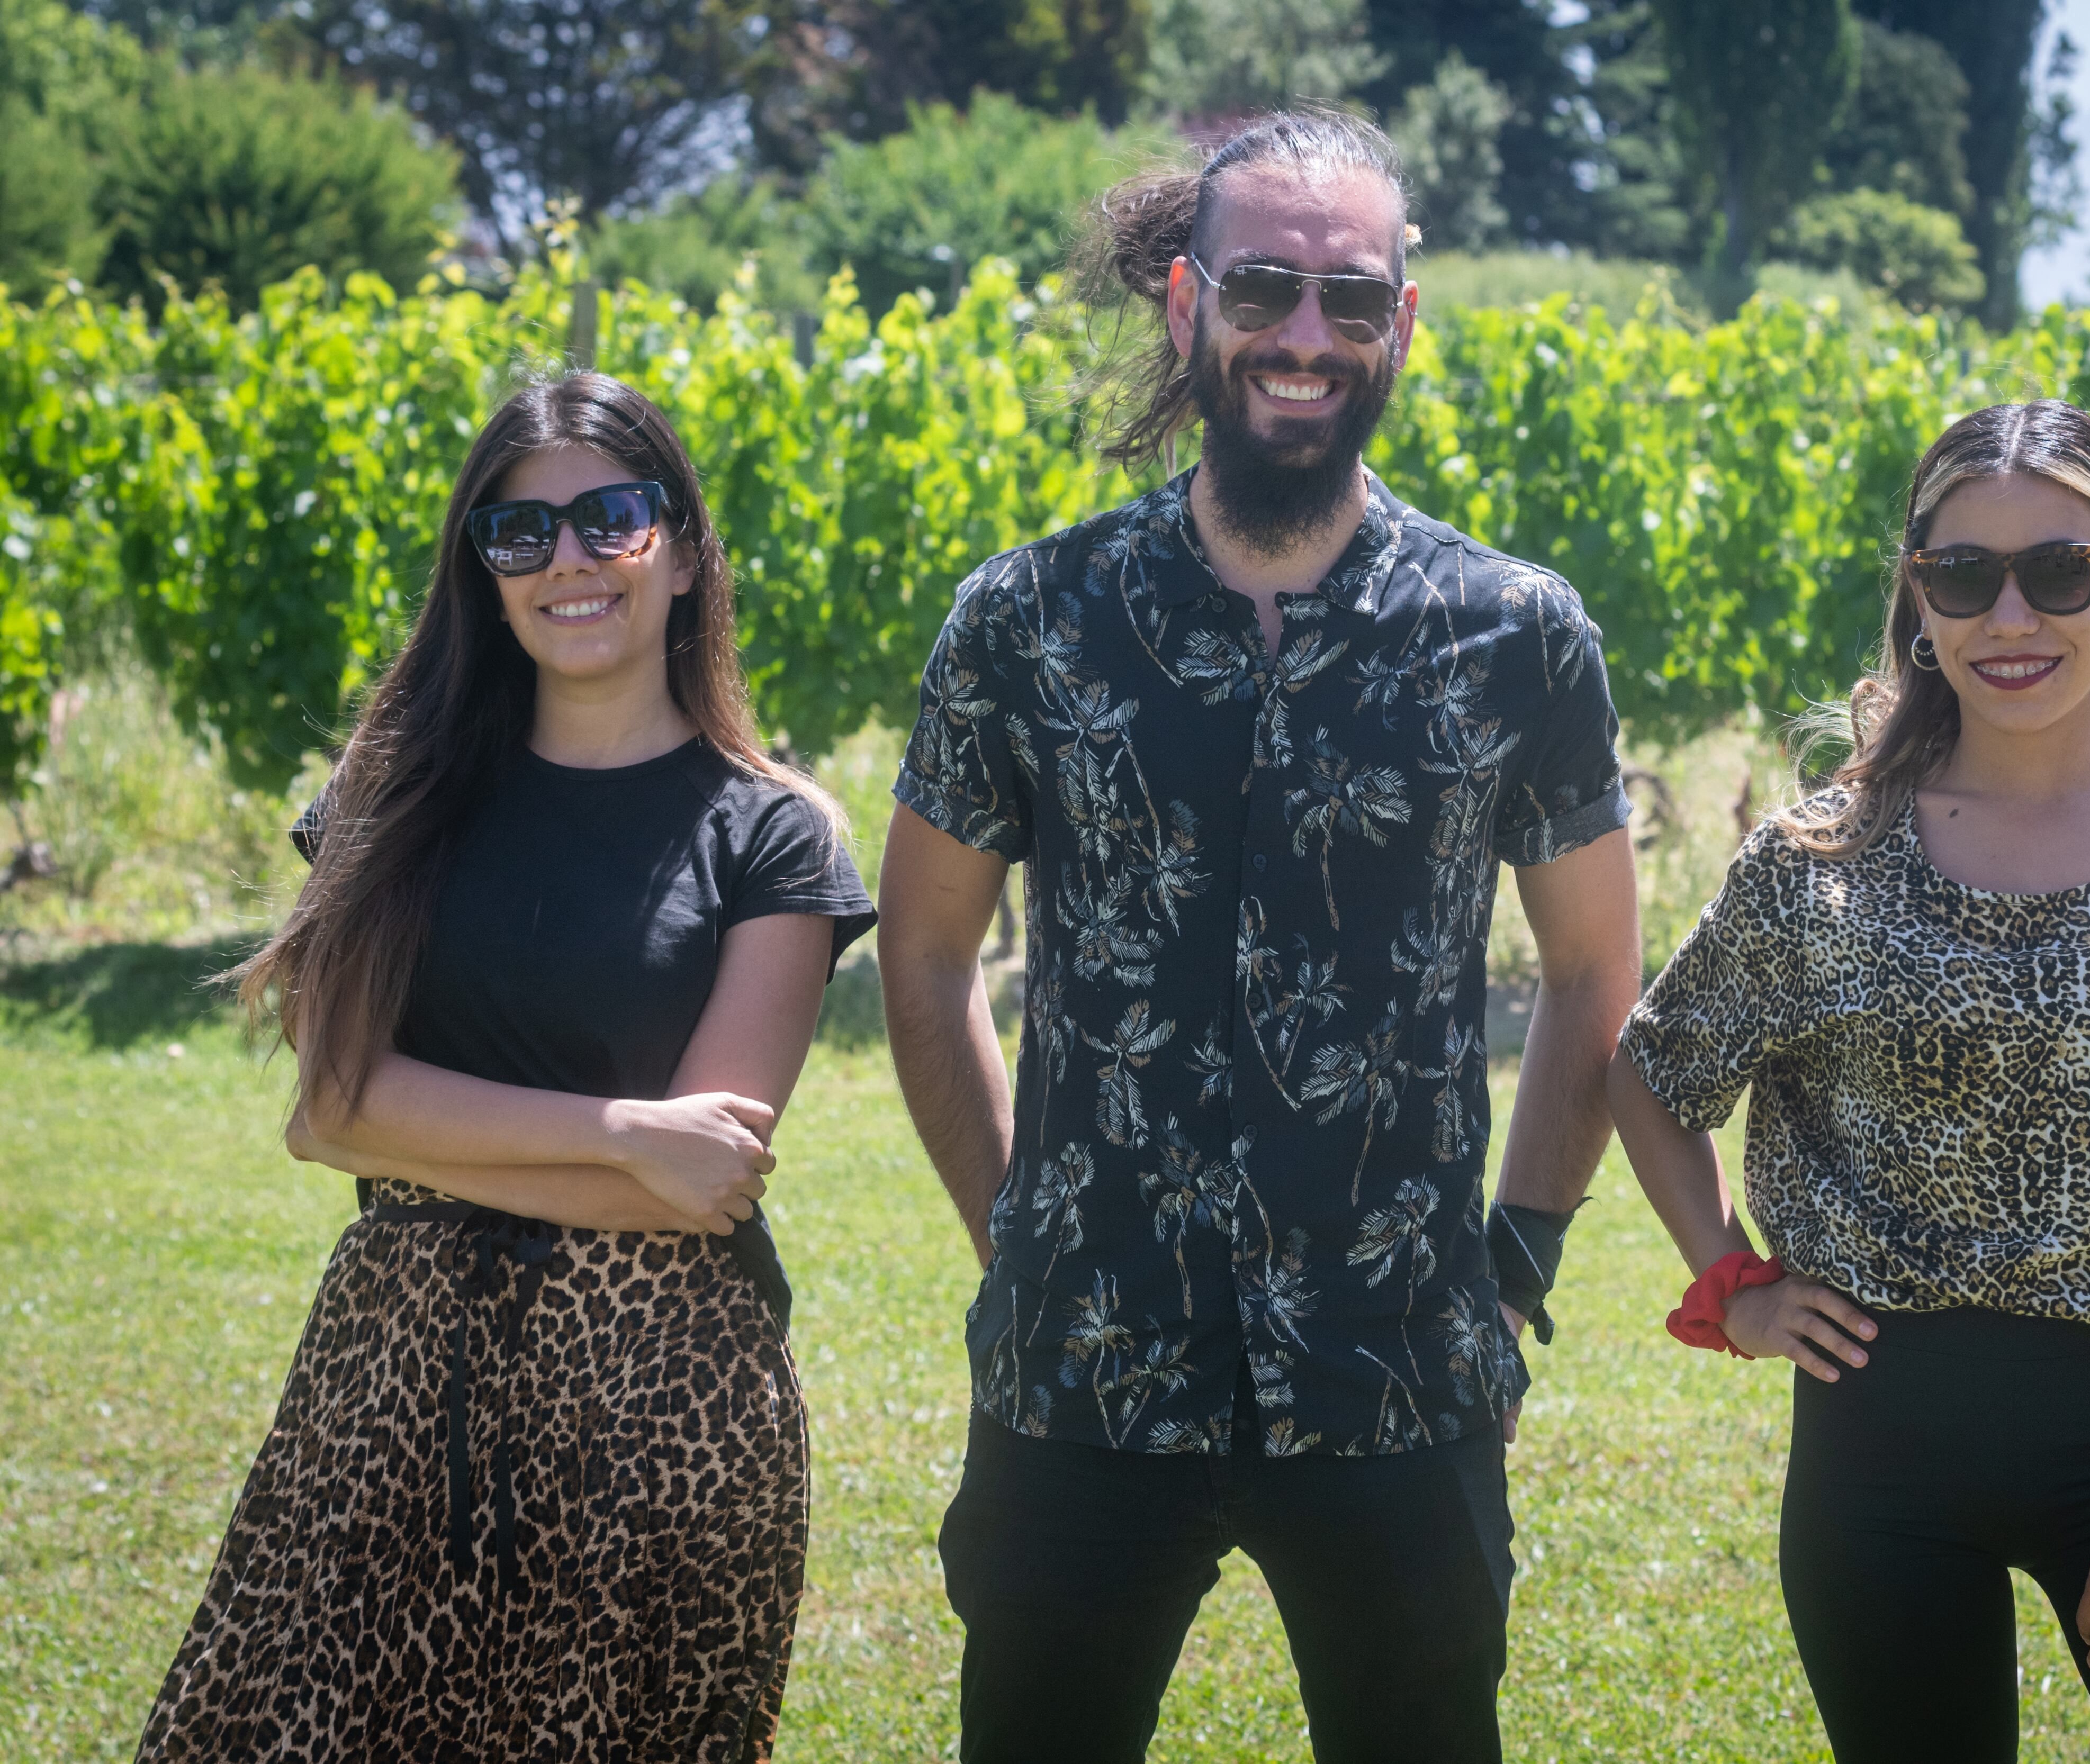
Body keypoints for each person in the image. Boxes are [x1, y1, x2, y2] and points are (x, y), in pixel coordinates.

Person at [878, 111, 1642, 1763]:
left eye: (1351, 300)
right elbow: (925, 955)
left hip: (1399, 1379)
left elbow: (1593, 975)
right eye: (1268, 288)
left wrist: (1520, 1255)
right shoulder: (1029, 621)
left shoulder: (1514, 635)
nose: (1307, 335)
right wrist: (1016, 1227)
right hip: (1082, 1367)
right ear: (1186, 301)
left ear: (1402, 329)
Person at [137, 373, 875, 1761]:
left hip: (664, 1408)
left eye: (609, 519)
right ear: (480, 573)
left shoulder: (775, 835)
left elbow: (702, 1187)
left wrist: (436, 1135)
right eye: (519, 534)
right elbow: (328, 1111)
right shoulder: (386, 798)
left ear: (685, 548)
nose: (570, 562)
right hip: (393, 1382)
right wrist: (618, 1133)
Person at [1609, 400, 2090, 1764]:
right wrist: (1737, 1286)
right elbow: (1652, 1075)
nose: (2014, 615)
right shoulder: (1816, 862)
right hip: (1875, 1475)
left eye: (2059, 572)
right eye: (1966, 576)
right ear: (1922, 606)